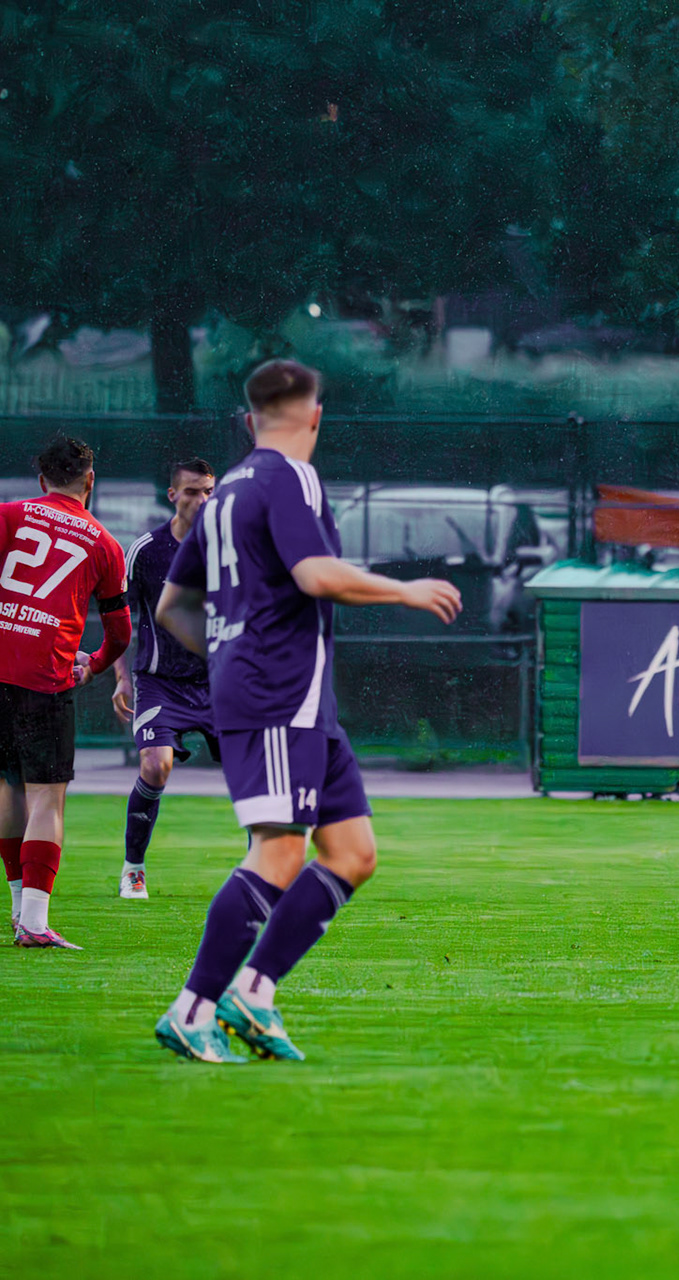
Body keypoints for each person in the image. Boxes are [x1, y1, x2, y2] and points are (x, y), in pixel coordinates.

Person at [151, 360, 462, 1064]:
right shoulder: (292, 478)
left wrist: (226, 651)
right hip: (277, 692)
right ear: (314, 416)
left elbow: (173, 606)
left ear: (248, 417)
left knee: (352, 853)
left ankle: (254, 996)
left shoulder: (225, 491)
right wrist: (406, 590)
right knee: (280, 850)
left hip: (294, 695)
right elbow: (315, 576)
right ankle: (192, 1008)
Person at [0, 436, 132, 949]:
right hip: (46, 678)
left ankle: (18, 908)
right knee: (46, 798)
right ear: (89, 480)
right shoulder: (104, 543)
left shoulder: (8, 516)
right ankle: (34, 922)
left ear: (41, 481)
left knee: (9, 788)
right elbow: (119, 633)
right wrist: (95, 666)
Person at [111, 458, 219, 900]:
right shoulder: (145, 551)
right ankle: (133, 869)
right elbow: (120, 620)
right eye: (193, 491)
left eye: (210, 491)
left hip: (220, 684)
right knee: (156, 766)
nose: (202, 500)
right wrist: (121, 678)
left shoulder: (232, 549)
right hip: (159, 682)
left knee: (259, 774)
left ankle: (264, 877)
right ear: (173, 495)